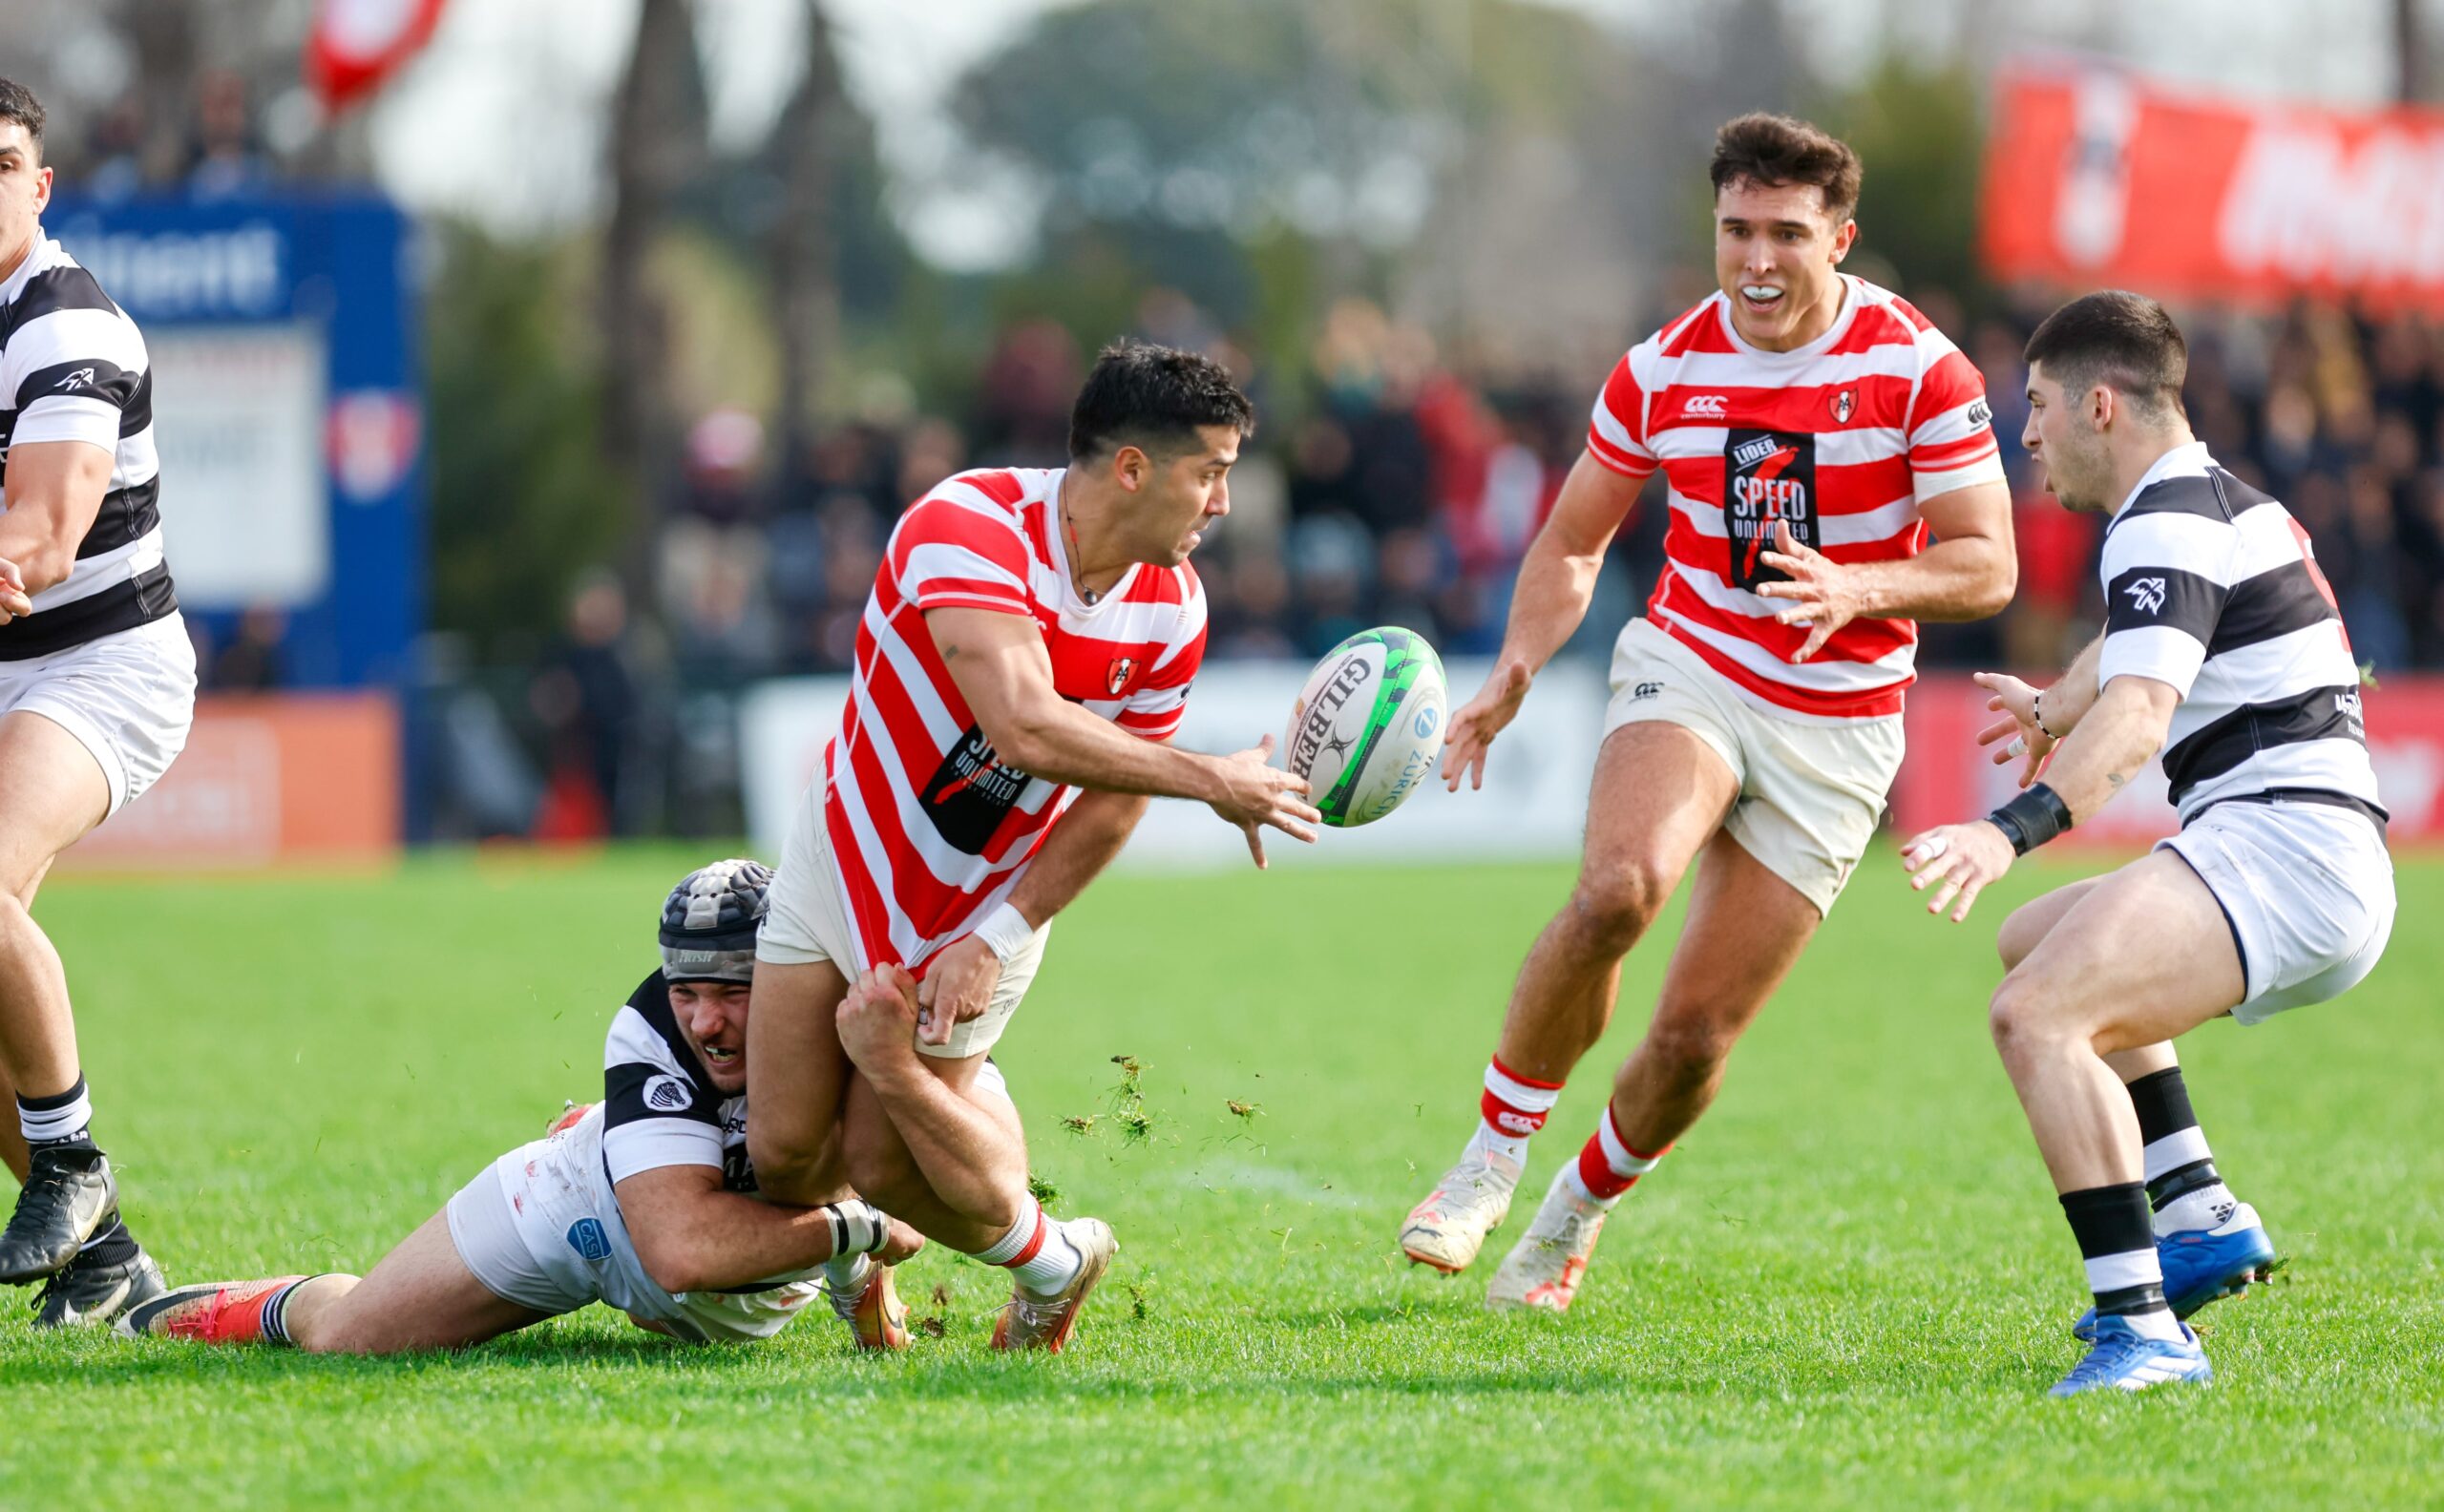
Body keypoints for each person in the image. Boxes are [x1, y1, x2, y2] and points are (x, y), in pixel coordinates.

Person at [1399, 113, 2016, 1311]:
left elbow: (1985, 563)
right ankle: (1487, 1162)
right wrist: (1516, 669)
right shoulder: (1666, 364)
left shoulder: (1919, 369)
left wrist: (1863, 585)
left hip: (1840, 719)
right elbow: (1574, 538)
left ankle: (1572, 1215)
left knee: (1692, 1042)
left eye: (1788, 233)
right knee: (1618, 888)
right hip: (1695, 662)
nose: (1758, 261)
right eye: (1737, 230)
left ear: (1840, 238)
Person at [747, 342, 1318, 1352]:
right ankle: (860, 1262)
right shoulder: (967, 526)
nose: (1223, 503)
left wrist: (998, 933)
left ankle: (1056, 1267)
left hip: (982, 905)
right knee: (787, 1151)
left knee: (884, 1163)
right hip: (845, 860)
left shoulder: (1171, 607)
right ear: (1134, 468)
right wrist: (1211, 779)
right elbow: (1022, 725)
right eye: (1211, 472)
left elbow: (1108, 805)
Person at [1902, 291, 2392, 1396]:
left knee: (2036, 1017)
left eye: (2034, 408)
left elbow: (2137, 716)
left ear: (2101, 404)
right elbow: (2129, 657)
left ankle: (2144, 1330)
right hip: (2306, 851)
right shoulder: (2219, 501)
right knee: (2037, 947)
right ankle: (2198, 1212)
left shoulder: (2164, 518)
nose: (2020, 433)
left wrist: (2002, 831)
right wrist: (2049, 706)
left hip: (2287, 854)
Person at [119, 860, 930, 1353]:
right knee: (347, 1342)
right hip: (592, 1213)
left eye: (731, 993)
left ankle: (845, 1273)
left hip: (741, 1276)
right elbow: (681, 1254)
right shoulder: (649, 1027)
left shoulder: (846, 1010)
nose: (704, 1021)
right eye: (687, 992)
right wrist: (856, 1227)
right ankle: (252, 1306)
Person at [0, 77, 197, 1328]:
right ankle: (108, 1255)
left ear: (40, 182)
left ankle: (69, 1164)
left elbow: (39, 538)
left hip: (100, 669)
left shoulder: (66, 325)